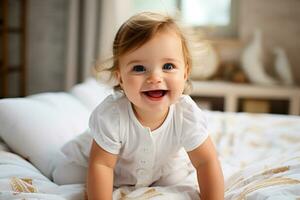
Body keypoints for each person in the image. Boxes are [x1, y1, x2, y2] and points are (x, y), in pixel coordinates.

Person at [87, 12, 224, 200]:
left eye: (168, 66)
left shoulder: (185, 114)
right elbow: (102, 165)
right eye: (139, 68)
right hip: (118, 175)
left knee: (178, 179)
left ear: (185, 73)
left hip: (164, 172)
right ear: (120, 78)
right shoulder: (112, 116)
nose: (154, 78)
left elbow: (206, 162)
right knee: (67, 173)